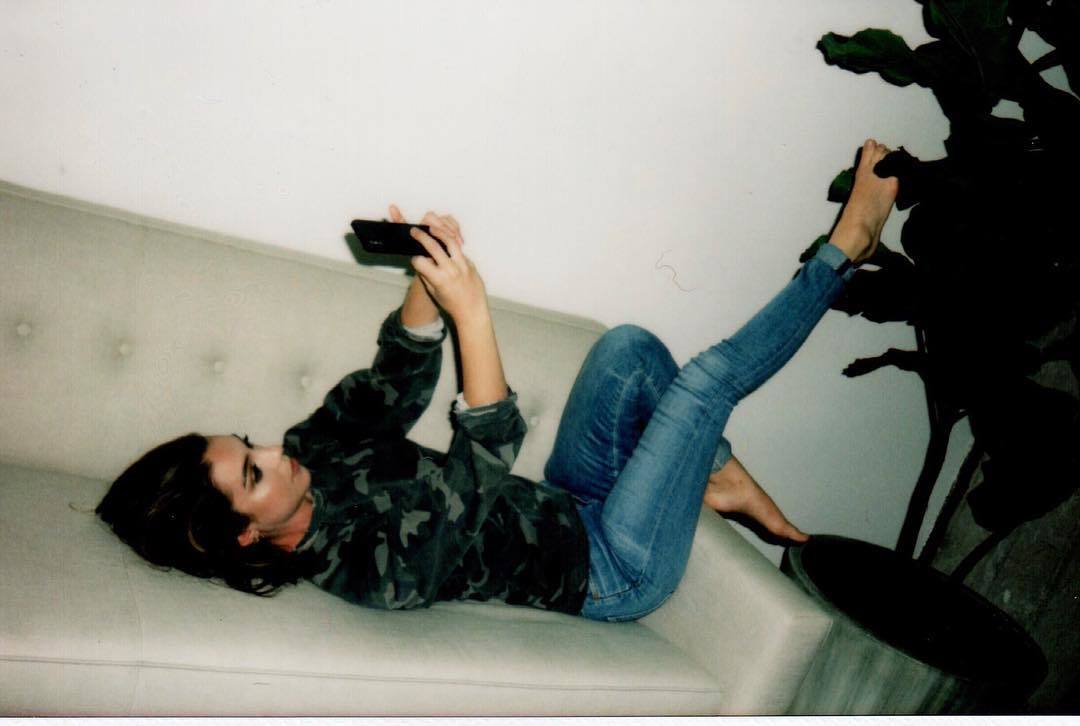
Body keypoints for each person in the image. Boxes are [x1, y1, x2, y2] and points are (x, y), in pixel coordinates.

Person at [97, 139, 898, 622]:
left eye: (250, 443)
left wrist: (426, 274)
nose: (273, 451)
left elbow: (397, 376)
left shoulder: (312, 452)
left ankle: (714, 475)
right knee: (699, 384)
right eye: (252, 472)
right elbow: (477, 467)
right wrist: (472, 311)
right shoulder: (368, 572)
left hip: (572, 499)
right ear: (244, 535)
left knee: (625, 349)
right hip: (610, 569)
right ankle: (844, 251)